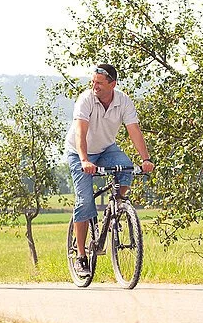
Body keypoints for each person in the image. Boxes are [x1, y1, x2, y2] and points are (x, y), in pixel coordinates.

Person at [65, 64, 155, 277]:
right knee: (85, 201)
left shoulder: (123, 101)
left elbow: (134, 130)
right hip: (80, 152)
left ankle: (116, 205)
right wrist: (85, 160)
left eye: (99, 83)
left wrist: (146, 159)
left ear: (112, 84)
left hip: (106, 149)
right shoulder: (86, 99)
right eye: (93, 82)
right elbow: (80, 132)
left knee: (127, 168)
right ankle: (81, 256)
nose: (94, 86)